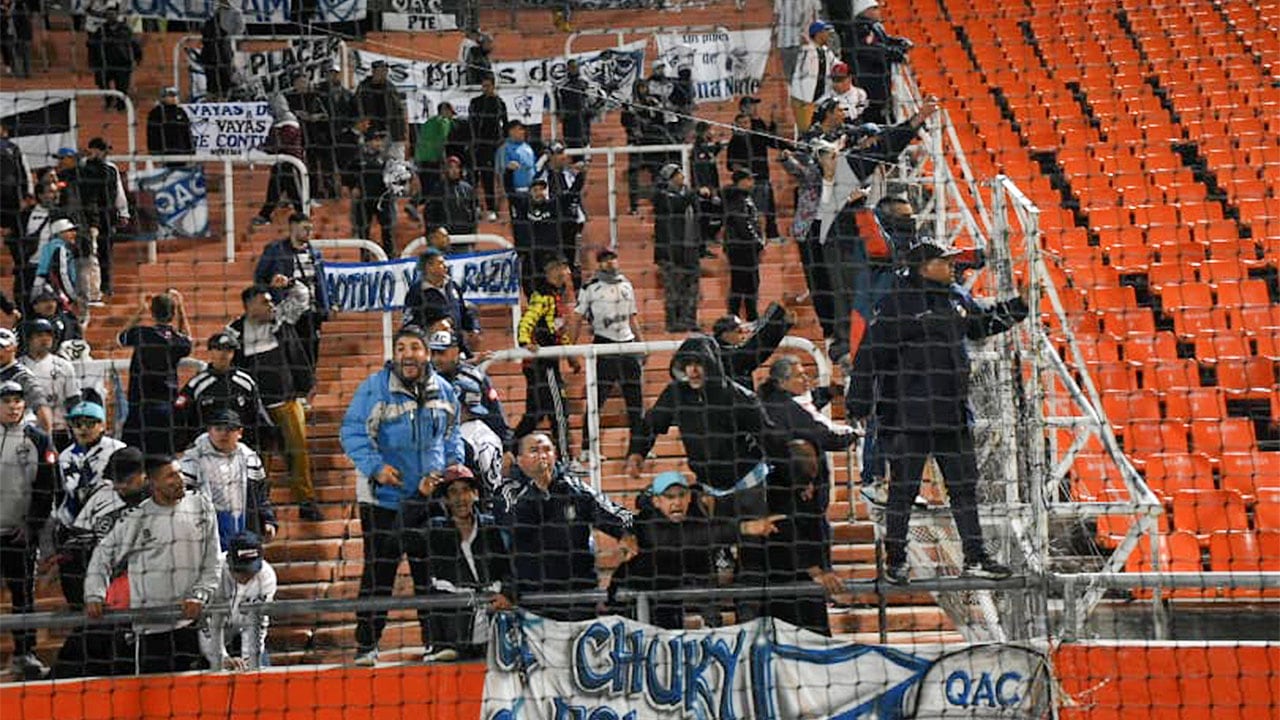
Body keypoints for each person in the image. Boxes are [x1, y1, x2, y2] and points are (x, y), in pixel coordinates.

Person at [846, 238, 1027, 583]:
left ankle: (975, 556)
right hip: (906, 415)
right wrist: (859, 402)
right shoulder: (896, 303)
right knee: (903, 490)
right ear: (923, 266)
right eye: (944, 261)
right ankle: (895, 560)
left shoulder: (956, 297)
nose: (951, 267)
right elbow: (870, 354)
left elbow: (982, 324)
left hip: (953, 413)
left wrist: (1020, 306)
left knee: (964, 488)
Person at [340, 324, 465, 666]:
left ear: (426, 353)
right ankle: (366, 646)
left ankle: (437, 642)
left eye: (414, 347)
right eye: (401, 348)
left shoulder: (445, 390)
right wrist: (376, 467)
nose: (408, 355)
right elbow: (351, 432)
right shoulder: (374, 389)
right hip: (384, 501)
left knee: (432, 573)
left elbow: (453, 434)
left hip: (428, 498)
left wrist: (454, 467)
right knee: (379, 574)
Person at [84, 454, 221, 675]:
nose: (179, 480)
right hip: (151, 629)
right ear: (152, 482)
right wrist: (94, 594)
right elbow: (102, 556)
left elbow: (212, 560)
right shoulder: (137, 519)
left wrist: (201, 594)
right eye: (171, 476)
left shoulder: (201, 506)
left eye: (180, 473)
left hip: (193, 624)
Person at [757, 356, 857, 635]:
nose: (806, 380)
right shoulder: (785, 409)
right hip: (795, 576)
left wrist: (829, 392)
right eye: (800, 375)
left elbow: (811, 400)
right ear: (782, 382)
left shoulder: (778, 402)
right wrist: (853, 435)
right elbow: (822, 434)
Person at [626, 336, 774, 521]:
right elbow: (651, 423)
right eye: (687, 364)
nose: (693, 370)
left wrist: (797, 477)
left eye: (699, 363)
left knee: (754, 546)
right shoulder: (675, 393)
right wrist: (637, 452)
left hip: (749, 485)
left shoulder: (739, 397)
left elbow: (770, 439)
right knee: (719, 545)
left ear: (712, 364)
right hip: (710, 490)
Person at [615, 471, 782, 630]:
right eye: (670, 497)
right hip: (659, 587)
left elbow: (704, 535)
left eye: (682, 495)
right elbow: (694, 538)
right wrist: (745, 528)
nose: (677, 502)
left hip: (698, 576)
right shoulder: (647, 523)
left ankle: (712, 627)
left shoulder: (699, 509)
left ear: (689, 497)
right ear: (657, 501)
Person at [500, 433, 635, 621]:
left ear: (555, 455)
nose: (542, 455)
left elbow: (615, 515)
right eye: (534, 450)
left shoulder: (576, 491)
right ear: (520, 461)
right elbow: (512, 552)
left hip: (578, 597)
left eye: (547, 449)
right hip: (534, 600)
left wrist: (625, 534)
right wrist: (508, 588)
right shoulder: (513, 500)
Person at [226, 286, 321, 521]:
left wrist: (306, 385)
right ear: (249, 306)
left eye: (271, 301)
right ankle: (260, 508)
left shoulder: (282, 323)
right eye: (265, 302)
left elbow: (302, 298)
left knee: (298, 455)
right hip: (255, 409)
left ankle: (306, 502)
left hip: (287, 402)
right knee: (259, 461)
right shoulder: (234, 333)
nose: (271, 306)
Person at [51, 444, 143, 679]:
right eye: (115, 479)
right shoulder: (102, 497)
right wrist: (86, 594)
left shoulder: (160, 502)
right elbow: (74, 547)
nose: (119, 485)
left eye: (125, 479)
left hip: (147, 601)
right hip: (105, 598)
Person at [423, 466, 514, 661]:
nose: (460, 498)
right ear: (445, 499)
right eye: (453, 492)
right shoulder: (435, 530)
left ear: (475, 494)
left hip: (495, 637)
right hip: (452, 640)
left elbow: (510, 569)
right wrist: (419, 496)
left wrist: (507, 592)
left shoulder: (492, 527)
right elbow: (396, 540)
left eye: (465, 490)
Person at [0, 380, 58, 679]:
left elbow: (47, 487)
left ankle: (26, 654)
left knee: (23, 595)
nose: (13, 406)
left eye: (18, 400)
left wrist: (32, 525)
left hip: (18, 535)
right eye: (7, 400)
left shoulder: (38, 439)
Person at [568, 248, 644, 460]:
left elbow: (633, 318)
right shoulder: (590, 288)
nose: (610, 263)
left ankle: (638, 449)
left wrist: (641, 344)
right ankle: (587, 449)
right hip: (604, 345)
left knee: (635, 403)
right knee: (596, 400)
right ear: (598, 264)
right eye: (604, 260)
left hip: (628, 346)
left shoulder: (626, 285)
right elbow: (576, 317)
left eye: (612, 258)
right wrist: (570, 350)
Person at [180, 407, 278, 550]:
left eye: (230, 429)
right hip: (204, 529)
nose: (223, 434)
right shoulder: (192, 460)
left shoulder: (250, 458)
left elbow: (261, 496)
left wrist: (268, 520)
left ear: (240, 433)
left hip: (241, 524)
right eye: (218, 428)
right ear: (209, 430)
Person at [513, 257, 579, 459]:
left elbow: (557, 330)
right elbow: (526, 322)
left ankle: (510, 448)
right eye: (564, 267)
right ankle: (567, 459)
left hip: (543, 363)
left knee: (535, 414)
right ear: (554, 271)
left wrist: (570, 356)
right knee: (559, 411)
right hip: (543, 365)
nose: (567, 272)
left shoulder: (554, 296)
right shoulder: (543, 296)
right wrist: (526, 343)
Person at [429, 330, 513, 486]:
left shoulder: (476, 378)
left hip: (473, 445)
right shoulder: (424, 381)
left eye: (441, 353)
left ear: (455, 351)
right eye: (433, 353)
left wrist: (508, 449)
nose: (436, 359)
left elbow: (495, 415)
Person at [117, 290, 192, 455]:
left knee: (135, 455)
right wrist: (181, 309)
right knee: (163, 456)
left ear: (152, 313)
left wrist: (140, 310)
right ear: (172, 314)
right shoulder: (175, 340)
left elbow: (121, 338)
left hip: (139, 406)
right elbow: (188, 341)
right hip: (165, 406)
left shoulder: (141, 334)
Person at [254, 212, 331, 372]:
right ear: (293, 227)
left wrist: (325, 307)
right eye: (305, 228)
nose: (309, 232)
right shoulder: (275, 250)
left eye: (310, 228)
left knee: (311, 351)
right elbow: (259, 277)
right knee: (289, 352)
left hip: (310, 312)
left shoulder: (315, 253)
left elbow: (321, 282)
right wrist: (272, 285)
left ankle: (309, 383)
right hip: (286, 312)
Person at [175, 332, 268, 451]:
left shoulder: (246, 382)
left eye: (228, 350)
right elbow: (180, 416)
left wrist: (259, 443)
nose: (223, 354)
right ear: (210, 351)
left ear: (233, 353)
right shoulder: (196, 384)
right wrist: (184, 445)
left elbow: (257, 415)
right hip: (205, 449)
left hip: (240, 448)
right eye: (218, 349)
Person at [199, 530, 277, 672]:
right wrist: (222, 658)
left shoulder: (267, 577)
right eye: (240, 570)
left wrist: (248, 659)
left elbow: (258, 623)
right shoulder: (213, 575)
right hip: (209, 638)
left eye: (251, 571)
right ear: (229, 561)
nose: (246, 576)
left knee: (258, 669)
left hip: (242, 634)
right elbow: (206, 625)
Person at [75, 137, 129, 302]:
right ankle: (87, 288)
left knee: (105, 252)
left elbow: (118, 192)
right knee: (87, 253)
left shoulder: (111, 169)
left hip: (107, 216)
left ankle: (105, 284)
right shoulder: (82, 167)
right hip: (86, 217)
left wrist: (123, 212)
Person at [403, 247, 481, 355]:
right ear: (429, 267)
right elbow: (409, 325)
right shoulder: (416, 293)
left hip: (458, 346)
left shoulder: (452, 285)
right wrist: (431, 329)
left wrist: (473, 328)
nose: (445, 266)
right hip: (433, 350)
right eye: (440, 263)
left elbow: (463, 310)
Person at [651, 164, 701, 333]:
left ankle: (690, 320)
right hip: (670, 252)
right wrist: (695, 193)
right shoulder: (661, 196)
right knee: (673, 289)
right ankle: (673, 322)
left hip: (690, 248)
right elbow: (677, 206)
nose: (682, 176)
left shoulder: (687, 194)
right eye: (678, 174)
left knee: (692, 288)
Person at [847, 0, 913, 125]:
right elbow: (870, 50)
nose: (879, 11)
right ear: (866, 10)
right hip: (869, 82)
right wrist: (895, 54)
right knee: (872, 116)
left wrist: (900, 43)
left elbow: (885, 41)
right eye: (875, 8)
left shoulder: (875, 26)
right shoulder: (859, 28)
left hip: (880, 82)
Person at [18, 317, 80, 449]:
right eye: (39, 335)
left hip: (59, 430)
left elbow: (73, 400)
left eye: (49, 335)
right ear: (28, 339)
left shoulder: (64, 366)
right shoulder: (18, 367)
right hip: (26, 431)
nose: (45, 339)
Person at [712, 296, 796, 390]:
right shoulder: (722, 355)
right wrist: (778, 315)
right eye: (739, 331)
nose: (744, 335)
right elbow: (758, 347)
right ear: (725, 334)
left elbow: (761, 350)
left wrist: (783, 324)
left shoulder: (723, 350)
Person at [727, 99, 782, 242]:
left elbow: (772, 140)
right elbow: (731, 164)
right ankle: (758, 237)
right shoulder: (736, 139)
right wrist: (743, 176)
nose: (755, 108)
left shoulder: (758, 127)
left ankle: (771, 235)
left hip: (762, 174)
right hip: (749, 180)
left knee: (767, 207)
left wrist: (774, 124)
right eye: (752, 105)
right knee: (753, 210)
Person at [252, 96, 306, 226]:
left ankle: (303, 215)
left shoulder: (289, 122)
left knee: (294, 193)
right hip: (280, 162)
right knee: (274, 192)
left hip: (290, 163)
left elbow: (282, 142)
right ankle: (265, 214)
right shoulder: (277, 122)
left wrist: (267, 147)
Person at [619, 80, 670, 214]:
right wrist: (627, 111)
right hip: (636, 146)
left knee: (659, 173)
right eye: (641, 88)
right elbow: (626, 124)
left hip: (652, 144)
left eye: (645, 87)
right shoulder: (630, 105)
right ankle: (634, 206)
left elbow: (661, 121)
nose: (644, 90)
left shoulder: (652, 102)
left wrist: (656, 109)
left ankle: (659, 202)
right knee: (633, 175)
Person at [541, 143, 587, 283]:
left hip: (572, 225)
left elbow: (576, 198)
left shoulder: (570, 175)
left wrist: (581, 217)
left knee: (576, 264)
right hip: (553, 227)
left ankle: (579, 296)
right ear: (550, 157)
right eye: (559, 153)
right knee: (555, 263)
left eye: (563, 153)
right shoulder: (543, 178)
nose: (563, 157)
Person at [285, 72, 335, 201]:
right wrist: (296, 114)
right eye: (300, 82)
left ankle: (319, 192)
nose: (303, 85)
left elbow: (327, 115)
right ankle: (299, 194)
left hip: (315, 136)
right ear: (294, 84)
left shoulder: (316, 96)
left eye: (305, 81)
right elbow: (283, 114)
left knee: (318, 166)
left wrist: (314, 117)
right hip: (295, 137)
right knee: (298, 166)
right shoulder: (288, 98)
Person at [723, 168, 765, 321]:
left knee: (743, 284)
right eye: (749, 179)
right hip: (742, 248)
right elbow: (743, 223)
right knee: (745, 283)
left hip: (740, 247)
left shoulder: (741, 197)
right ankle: (745, 317)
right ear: (741, 181)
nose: (752, 183)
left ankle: (741, 316)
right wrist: (756, 241)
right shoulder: (738, 198)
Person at [510, 177, 560, 297]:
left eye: (542, 190)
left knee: (550, 285)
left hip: (549, 255)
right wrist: (509, 173)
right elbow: (509, 192)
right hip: (529, 254)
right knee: (529, 285)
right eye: (536, 190)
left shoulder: (553, 206)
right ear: (530, 192)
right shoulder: (523, 206)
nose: (539, 193)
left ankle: (551, 310)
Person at [467, 76, 508, 221]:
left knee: (488, 179)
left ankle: (491, 208)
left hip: (491, 147)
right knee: (472, 178)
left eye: (488, 86)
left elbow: (505, 124)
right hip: (476, 146)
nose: (485, 88)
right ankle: (475, 207)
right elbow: (470, 122)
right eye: (483, 86)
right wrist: (471, 141)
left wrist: (501, 142)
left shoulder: (499, 103)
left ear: (493, 86)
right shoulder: (475, 102)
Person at [0, 326, 53, 432]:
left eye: (3, 347)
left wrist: (47, 441)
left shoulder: (23, 376)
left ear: (14, 348)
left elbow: (41, 406)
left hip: (18, 434)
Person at [789, 20, 838, 132]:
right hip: (803, 100)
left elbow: (836, 64)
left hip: (819, 99)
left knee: (818, 130)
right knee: (805, 131)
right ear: (818, 33)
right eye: (826, 31)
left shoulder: (826, 51)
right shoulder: (806, 50)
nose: (828, 35)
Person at [86, 10, 140, 111]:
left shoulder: (125, 30)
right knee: (102, 84)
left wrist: (137, 58)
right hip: (105, 63)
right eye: (108, 14)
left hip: (122, 63)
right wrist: (92, 62)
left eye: (113, 14)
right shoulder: (100, 31)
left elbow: (134, 45)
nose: (111, 16)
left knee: (122, 86)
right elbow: (92, 47)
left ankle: (121, 105)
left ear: (117, 15)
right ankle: (108, 101)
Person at [355, 60, 408, 159]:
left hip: (390, 133)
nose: (385, 73)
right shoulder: (363, 88)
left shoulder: (390, 88)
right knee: (372, 162)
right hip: (370, 133)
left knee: (393, 163)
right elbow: (357, 109)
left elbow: (399, 112)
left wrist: (401, 135)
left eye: (386, 70)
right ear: (374, 71)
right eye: (382, 70)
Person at [33, 218, 82, 313]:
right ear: (60, 233)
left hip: (43, 288)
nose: (74, 234)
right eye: (70, 231)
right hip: (55, 291)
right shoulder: (60, 248)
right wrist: (72, 296)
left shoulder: (49, 246)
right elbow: (62, 274)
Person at [690, 122, 725, 255]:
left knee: (715, 214)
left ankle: (707, 240)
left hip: (711, 188)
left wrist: (717, 148)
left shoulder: (705, 148)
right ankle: (702, 247)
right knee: (703, 218)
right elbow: (700, 170)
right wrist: (703, 187)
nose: (713, 133)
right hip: (704, 191)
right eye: (711, 130)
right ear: (704, 132)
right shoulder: (698, 149)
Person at [199, 0, 243, 100]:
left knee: (225, 78)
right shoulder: (210, 12)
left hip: (223, 49)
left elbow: (239, 30)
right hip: (209, 51)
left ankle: (225, 99)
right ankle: (212, 98)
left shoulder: (234, 13)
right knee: (211, 79)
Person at [424, 156, 478, 236]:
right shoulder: (438, 189)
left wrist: (473, 231)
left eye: (457, 167)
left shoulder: (468, 189)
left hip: (465, 235)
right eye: (451, 167)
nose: (454, 170)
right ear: (446, 170)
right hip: (445, 236)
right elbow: (429, 213)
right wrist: (432, 231)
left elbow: (474, 211)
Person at [414, 101, 455, 201]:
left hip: (420, 156)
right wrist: (444, 160)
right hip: (433, 158)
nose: (451, 116)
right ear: (445, 111)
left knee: (425, 186)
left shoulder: (429, 121)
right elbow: (441, 142)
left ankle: (417, 205)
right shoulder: (444, 122)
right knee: (435, 187)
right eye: (451, 113)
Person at [497, 120, 536, 219]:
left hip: (531, 192)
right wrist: (503, 195)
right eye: (519, 129)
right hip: (515, 193)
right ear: (511, 131)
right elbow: (500, 172)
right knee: (518, 222)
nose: (523, 132)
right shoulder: (504, 149)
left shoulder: (528, 147)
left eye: (523, 129)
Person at [774, 0, 822, 82]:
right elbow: (815, 17)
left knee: (791, 77)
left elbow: (776, 16)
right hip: (798, 41)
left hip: (792, 42)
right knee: (800, 77)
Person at [146, 87, 195, 161]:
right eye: (170, 96)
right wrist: (154, 151)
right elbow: (152, 133)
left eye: (175, 95)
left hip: (181, 151)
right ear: (163, 97)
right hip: (164, 152)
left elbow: (187, 132)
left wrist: (190, 150)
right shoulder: (156, 113)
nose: (174, 98)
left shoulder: (181, 111)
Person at [554, 59, 593, 148]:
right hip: (569, 118)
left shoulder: (584, 83)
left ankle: (585, 156)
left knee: (583, 141)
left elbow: (590, 99)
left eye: (575, 67)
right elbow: (559, 100)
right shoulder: (563, 86)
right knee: (571, 142)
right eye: (571, 68)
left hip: (582, 118)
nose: (573, 70)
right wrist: (559, 112)